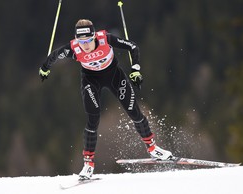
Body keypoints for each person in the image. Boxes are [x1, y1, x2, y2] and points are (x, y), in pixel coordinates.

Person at [39, 19, 172, 180]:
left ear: (94, 36)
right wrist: (44, 69)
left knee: (134, 112)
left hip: (114, 76)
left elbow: (133, 46)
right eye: (81, 41)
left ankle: (153, 149)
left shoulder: (105, 38)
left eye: (88, 40)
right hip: (90, 80)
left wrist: (135, 69)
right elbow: (54, 56)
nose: (85, 45)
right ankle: (88, 164)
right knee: (93, 120)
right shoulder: (73, 48)